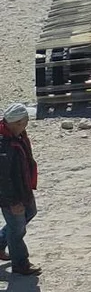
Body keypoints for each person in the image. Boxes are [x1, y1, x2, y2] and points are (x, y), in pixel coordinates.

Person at [0, 103, 39, 277]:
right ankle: (21, 264)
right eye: (25, 121)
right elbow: (3, 180)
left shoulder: (17, 134)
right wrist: (13, 202)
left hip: (23, 189)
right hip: (12, 196)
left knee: (30, 212)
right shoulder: (4, 145)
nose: (27, 124)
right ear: (17, 122)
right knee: (17, 230)